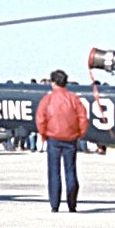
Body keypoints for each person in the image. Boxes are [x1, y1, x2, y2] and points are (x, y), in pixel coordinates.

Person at [34, 69, 89, 212]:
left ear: (53, 83)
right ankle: (72, 204)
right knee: (71, 171)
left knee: (54, 172)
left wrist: (43, 135)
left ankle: (55, 204)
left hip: (53, 138)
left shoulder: (48, 99)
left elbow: (40, 119)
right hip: (71, 138)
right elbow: (83, 117)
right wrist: (80, 133)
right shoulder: (74, 98)